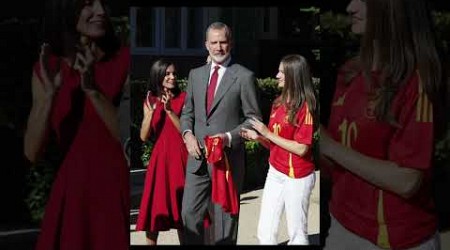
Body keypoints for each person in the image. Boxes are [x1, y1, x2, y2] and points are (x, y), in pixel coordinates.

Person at [320, 0, 446, 249]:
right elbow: (337, 164)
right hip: (341, 224)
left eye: (363, 1)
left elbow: (407, 180)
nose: (350, 7)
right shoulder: (349, 72)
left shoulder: (416, 81)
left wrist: (329, 146)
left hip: (396, 240)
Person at [23, 0, 130, 249]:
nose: (101, 11)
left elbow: (124, 135)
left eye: (103, 4)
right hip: (73, 195)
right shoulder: (47, 69)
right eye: (88, 4)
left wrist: (92, 91)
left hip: (115, 192)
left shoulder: (124, 59)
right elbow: (31, 152)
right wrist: (48, 98)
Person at [180, 21, 262, 245]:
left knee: (225, 223)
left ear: (231, 44)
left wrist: (227, 138)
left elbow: (254, 120)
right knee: (188, 214)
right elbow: (187, 113)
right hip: (196, 160)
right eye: (214, 42)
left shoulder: (244, 76)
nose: (218, 47)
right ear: (206, 44)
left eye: (223, 42)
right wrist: (187, 135)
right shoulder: (195, 75)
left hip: (226, 161)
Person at [240, 54, 318, 245]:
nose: (277, 75)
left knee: (297, 234)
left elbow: (301, 148)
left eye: (282, 72)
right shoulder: (277, 103)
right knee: (265, 231)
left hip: (297, 176)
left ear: (293, 76)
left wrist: (266, 133)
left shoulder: (305, 106)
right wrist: (260, 137)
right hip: (275, 170)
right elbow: (276, 143)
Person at [135, 59, 187, 245]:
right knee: (154, 212)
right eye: (167, 74)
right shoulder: (149, 100)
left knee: (183, 215)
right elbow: (143, 136)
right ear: (158, 75)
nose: (172, 77)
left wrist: (170, 111)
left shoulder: (184, 98)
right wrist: (149, 115)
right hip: (160, 161)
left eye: (174, 73)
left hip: (180, 159)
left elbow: (185, 131)